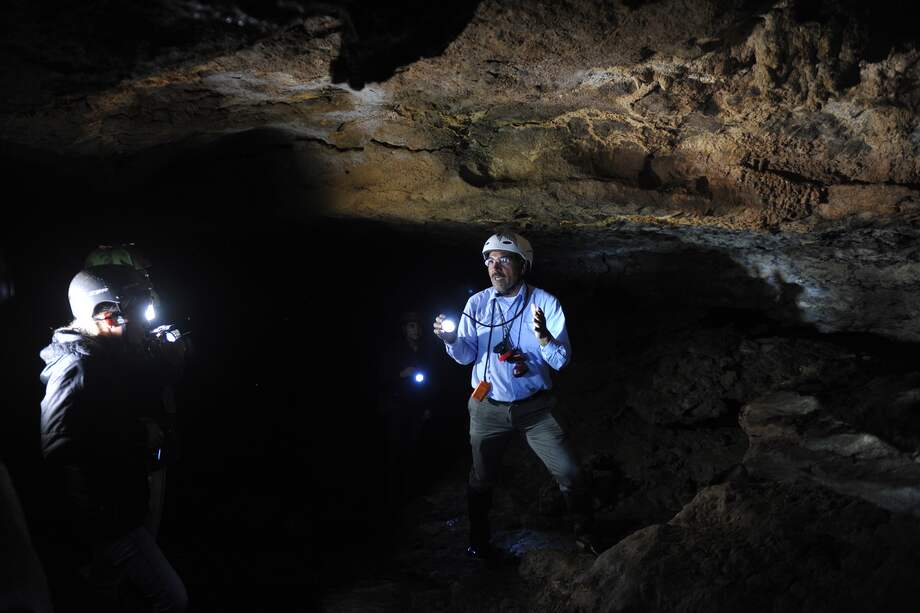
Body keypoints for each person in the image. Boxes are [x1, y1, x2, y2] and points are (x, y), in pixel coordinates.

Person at [433, 231, 597, 558]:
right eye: (490, 261)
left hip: (536, 409)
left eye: (504, 260)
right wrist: (450, 340)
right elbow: (466, 356)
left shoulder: (546, 304)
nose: (495, 268)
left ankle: (585, 533)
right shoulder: (476, 304)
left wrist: (547, 339)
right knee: (481, 477)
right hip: (487, 407)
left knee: (570, 472)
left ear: (523, 265)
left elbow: (561, 362)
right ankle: (478, 540)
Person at [39, 265, 187, 612]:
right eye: (129, 313)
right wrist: (138, 434)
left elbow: (125, 399)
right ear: (105, 314)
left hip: (122, 500)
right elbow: (57, 443)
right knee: (172, 597)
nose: (136, 323)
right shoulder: (77, 366)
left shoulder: (105, 354)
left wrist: (169, 361)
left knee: (107, 584)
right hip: (108, 514)